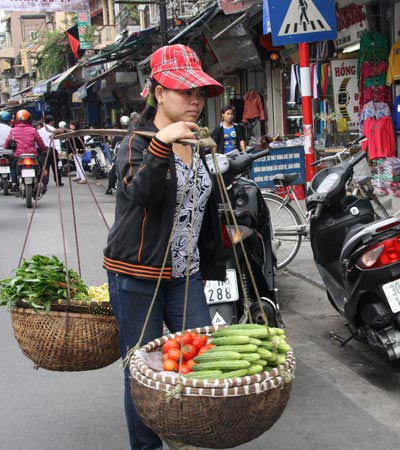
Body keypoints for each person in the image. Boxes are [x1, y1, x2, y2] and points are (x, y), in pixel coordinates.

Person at [103, 44, 227, 450]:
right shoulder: (135, 144)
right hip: (137, 275)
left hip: (185, 273)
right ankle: (148, 446)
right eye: (183, 91)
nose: (195, 101)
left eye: (199, 93)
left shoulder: (198, 141)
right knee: (142, 368)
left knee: (194, 358)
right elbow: (142, 194)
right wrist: (160, 143)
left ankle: (184, 431)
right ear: (158, 92)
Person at [4, 110, 48, 188]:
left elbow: (7, 142)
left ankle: (14, 182)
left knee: (13, 167)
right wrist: (44, 149)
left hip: (18, 155)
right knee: (39, 166)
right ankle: (39, 182)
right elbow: (40, 142)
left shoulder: (13, 130)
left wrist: (6, 147)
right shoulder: (33, 130)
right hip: (32, 154)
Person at [104, 115, 131, 195]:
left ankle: (109, 188)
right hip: (130, 156)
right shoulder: (133, 132)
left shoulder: (119, 134)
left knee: (113, 171)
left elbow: (113, 147)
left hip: (120, 157)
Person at [37, 115, 63, 187]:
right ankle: (58, 181)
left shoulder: (39, 131)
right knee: (55, 166)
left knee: (45, 166)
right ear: (51, 121)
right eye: (53, 121)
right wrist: (59, 151)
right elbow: (57, 141)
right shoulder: (54, 130)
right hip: (52, 150)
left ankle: (45, 182)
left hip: (42, 150)